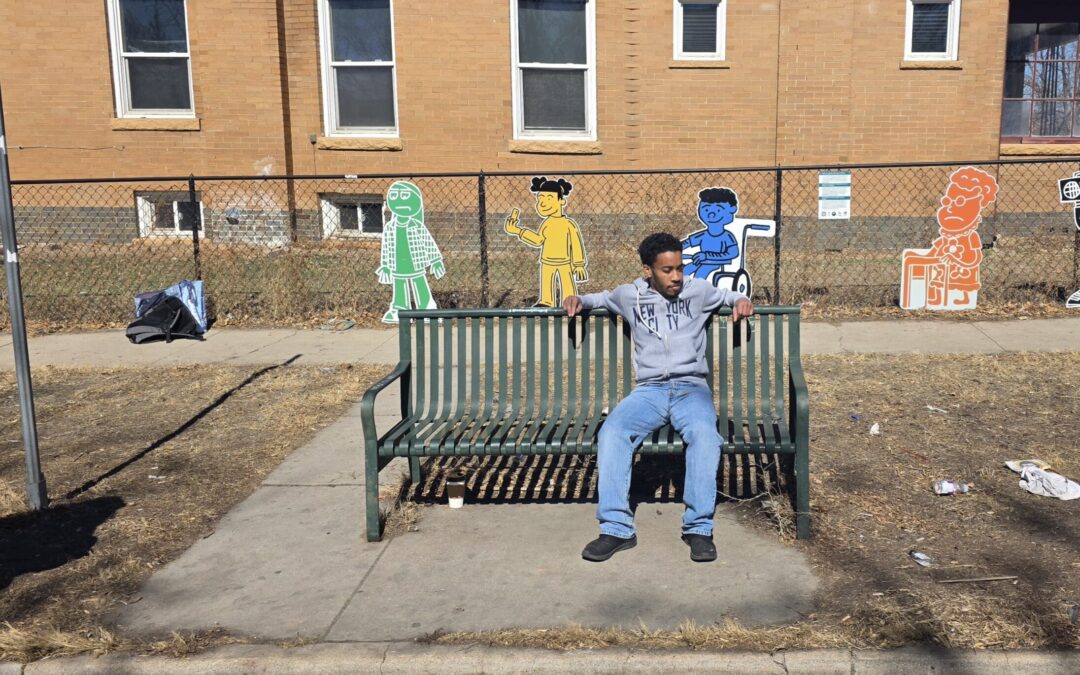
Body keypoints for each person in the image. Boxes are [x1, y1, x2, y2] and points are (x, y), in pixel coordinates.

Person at [563, 232, 754, 563]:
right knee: (613, 433)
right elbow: (601, 298)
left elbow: (730, 295)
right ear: (648, 270)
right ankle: (616, 529)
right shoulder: (629, 295)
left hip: (691, 389)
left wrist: (740, 301)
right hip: (649, 391)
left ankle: (698, 528)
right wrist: (577, 300)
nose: (676, 276)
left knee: (705, 436)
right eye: (667, 270)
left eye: (679, 268)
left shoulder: (698, 291)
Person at [504, 176, 589, 307]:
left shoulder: (569, 224)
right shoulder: (546, 223)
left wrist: (578, 264)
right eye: (541, 199)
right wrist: (518, 231)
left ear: (561, 201)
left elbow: (576, 244)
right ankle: (546, 301)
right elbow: (538, 240)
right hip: (546, 261)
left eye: (549, 198)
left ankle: (569, 301)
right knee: (546, 283)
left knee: (567, 284)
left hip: (565, 262)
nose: (543, 203)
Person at [377, 180, 446, 323]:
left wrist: (436, 261)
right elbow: (386, 248)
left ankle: (426, 310)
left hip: (415, 264)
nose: (399, 201)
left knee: (420, 286)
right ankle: (399, 310)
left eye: (405, 196)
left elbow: (429, 243)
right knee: (399, 290)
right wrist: (385, 266)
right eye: (394, 196)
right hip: (397, 266)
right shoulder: (390, 227)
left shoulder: (417, 226)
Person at [682, 187, 740, 280]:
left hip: (715, 263)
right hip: (700, 260)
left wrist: (707, 255)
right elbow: (686, 243)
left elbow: (733, 253)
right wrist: (674, 249)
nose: (711, 214)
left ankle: (699, 293)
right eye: (706, 210)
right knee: (684, 272)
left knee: (700, 274)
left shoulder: (727, 236)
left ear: (732, 209)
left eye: (718, 210)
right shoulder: (703, 235)